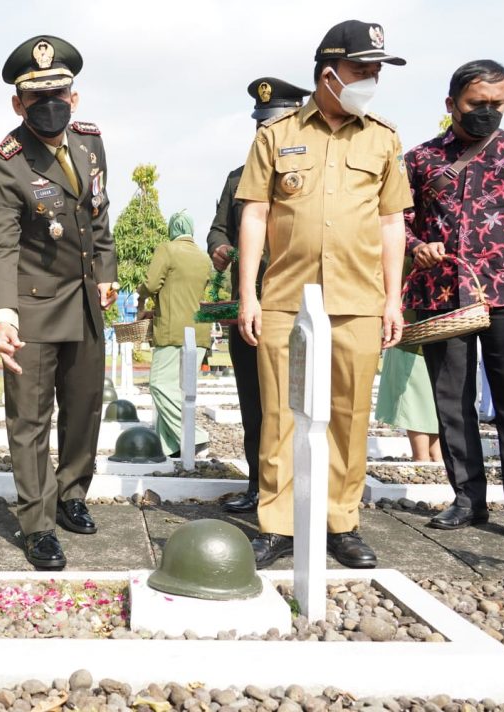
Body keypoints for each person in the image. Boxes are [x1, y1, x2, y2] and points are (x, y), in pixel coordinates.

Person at [235, 20, 412, 569]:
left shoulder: (382, 137)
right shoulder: (277, 134)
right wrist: (249, 294)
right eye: (362, 70)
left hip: (359, 299)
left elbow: (391, 223)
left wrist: (392, 299)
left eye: (376, 71)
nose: (371, 80)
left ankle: (342, 521)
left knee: (348, 412)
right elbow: (256, 214)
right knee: (280, 414)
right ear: (329, 72)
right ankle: (278, 522)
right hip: (287, 296)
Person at [405, 60, 504, 548]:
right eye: (477, 104)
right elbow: (398, 220)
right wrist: (417, 247)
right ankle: (467, 499)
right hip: (444, 296)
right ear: (451, 103)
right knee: (452, 403)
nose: (487, 113)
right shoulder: (421, 159)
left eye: (497, 105)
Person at [0, 35, 118, 570]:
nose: (51, 105)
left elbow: (98, 213)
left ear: (74, 97)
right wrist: (3, 314)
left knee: (83, 409)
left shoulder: (89, 141)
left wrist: (106, 272)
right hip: (33, 308)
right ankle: (37, 523)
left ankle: (72, 494)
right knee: (31, 420)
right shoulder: (4, 166)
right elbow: (0, 246)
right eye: (38, 99)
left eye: (60, 93)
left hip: (85, 302)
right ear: (19, 104)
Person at [207, 76, 311, 513]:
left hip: (299, 307)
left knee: (300, 406)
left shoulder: (312, 176)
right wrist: (219, 248)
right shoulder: (237, 178)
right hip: (249, 309)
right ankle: (259, 485)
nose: (265, 132)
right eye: (262, 124)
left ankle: (304, 492)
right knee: (255, 403)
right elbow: (218, 228)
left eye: (277, 122)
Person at [137, 210, 213, 458]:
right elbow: (184, 293)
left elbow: (150, 285)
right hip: (199, 332)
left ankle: (195, 437)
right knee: (180, 390)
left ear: (173, 228)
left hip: (172, 331)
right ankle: (171, 447)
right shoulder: (204, 258)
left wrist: (142, 296)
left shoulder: (167, 249)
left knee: (159, 384)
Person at [375, 347, 442, 462]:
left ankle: (425, 457)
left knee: (417, 404)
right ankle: (432, 457)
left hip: (414, 345)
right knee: (429, 403)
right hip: (430, 346)